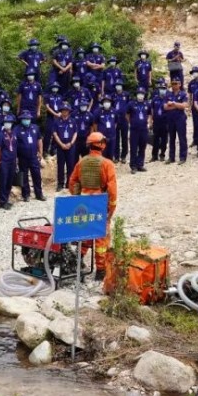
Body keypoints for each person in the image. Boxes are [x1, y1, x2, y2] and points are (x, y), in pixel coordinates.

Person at [68, 132, 118, 277]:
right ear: (102, 144)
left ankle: (76, 262)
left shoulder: (81, 162)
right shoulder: (107, 164)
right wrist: (111, 210)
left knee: (84, 234)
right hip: (99, 204)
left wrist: (77, 197)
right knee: (101, 238)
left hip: (83, 203)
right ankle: (100, 271)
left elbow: (72, 182)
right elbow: (112, 190)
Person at [15, 110, 45, 202]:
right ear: (21, 119)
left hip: (33, 156)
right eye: (24, 119)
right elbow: (14, 144)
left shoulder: (35, 127)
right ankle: (26, 195)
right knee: (24, 176)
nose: (26, 120)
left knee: (37, 175)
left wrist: (41, 153)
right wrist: (15, 157)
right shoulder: (16, 129)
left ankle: (39, 194)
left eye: (28, 118)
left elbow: (39, 140)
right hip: (22, 157)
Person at [0, 113, 18, 210]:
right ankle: (2, 202)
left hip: (12, 161)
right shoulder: (0, 134)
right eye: (6, 122)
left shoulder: (14, 134)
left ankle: (6, 199)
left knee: (10, 181)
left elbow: (15, 147)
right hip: (4, 161)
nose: (8, 124)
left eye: (10, 122)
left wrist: (16, 160)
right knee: (3, 181)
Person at [53, 102, 79, 189]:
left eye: (66, 110)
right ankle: (60, 184)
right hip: (60, 146)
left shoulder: (73, 121)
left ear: (69, 111)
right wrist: (61, 144)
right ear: (61, 111)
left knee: (70, 165)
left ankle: (69, 183)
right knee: (60, 165)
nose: (65, 112)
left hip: (71, 146)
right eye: (63, 110)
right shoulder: (57, 121)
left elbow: (75, 133)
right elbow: (55, 134)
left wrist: (71, 143)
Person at [164, 78, 190, 164]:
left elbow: (185, 105)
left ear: (180, 84)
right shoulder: (168, 94)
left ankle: (183, 157)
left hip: (180, 119)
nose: (174, 85)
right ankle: (171, 157)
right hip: (170, 119)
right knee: (171, 138)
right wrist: (178, 105)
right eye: (173, 83)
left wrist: (174, 104)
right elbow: (165, 107)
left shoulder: (183, 94)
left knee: (182, 138)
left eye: (176, 83)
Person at [127, 87, 151, 172]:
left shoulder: (147, 104)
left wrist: (147, 122)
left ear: (144, 95)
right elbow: (127, 115)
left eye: (142, 94)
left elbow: (149, 114)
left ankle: (140, 164)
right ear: (136, 94)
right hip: (134, 129)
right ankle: (133, 166)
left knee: (142, 147)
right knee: (133, 147)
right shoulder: (131, 104)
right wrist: (131, 122)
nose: (140, 95)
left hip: (144, 129)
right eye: (139, 93)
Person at [92, 95, 120, 161]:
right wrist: (97, 133)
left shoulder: (114, 111)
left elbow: (115, 122)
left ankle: (109, 169)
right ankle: (102, 170)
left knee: (110, 154)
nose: (106, 103)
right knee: (102, 154)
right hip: (102, 137)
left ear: (110, 102)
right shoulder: (98, 111)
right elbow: (95, 123)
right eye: (105, 101)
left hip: (112, 136)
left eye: (108, 101)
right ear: (102, 103)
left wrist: (112, 129)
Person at [42, 81, 64, 157]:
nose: (55, 88)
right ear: (51, 88)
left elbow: (62, 107)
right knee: (48, 133)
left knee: (57, 133)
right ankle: (44, 150)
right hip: (50, 117)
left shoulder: (60, 97)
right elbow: (47, 107)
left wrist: (60, 113)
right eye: (54, 87)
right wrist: (55, 114)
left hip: (58, 117)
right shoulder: (48, 96)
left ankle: (53, 150)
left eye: (56, 87)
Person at [149, 81, 168, 162]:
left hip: (165, 122)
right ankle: (154, 155)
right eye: (161, 88)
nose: (162, 90)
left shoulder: (168, 99)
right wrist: (151, 121)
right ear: (159, 89)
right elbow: (151, 111)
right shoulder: (154, 99)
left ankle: (162, 154)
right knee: (155, 139)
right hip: (156, 121)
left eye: (164, 89)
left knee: (164, 139)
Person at [112, 82, 130, 164]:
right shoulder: (113, 95)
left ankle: (123, 156)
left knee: (124, 138)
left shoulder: (126, 94)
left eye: (119, 85)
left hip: (124, 119)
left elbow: (129, 105)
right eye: (117, 85)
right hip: (116, 119)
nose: (118, 86)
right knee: (116, 138)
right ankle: (116, 156)